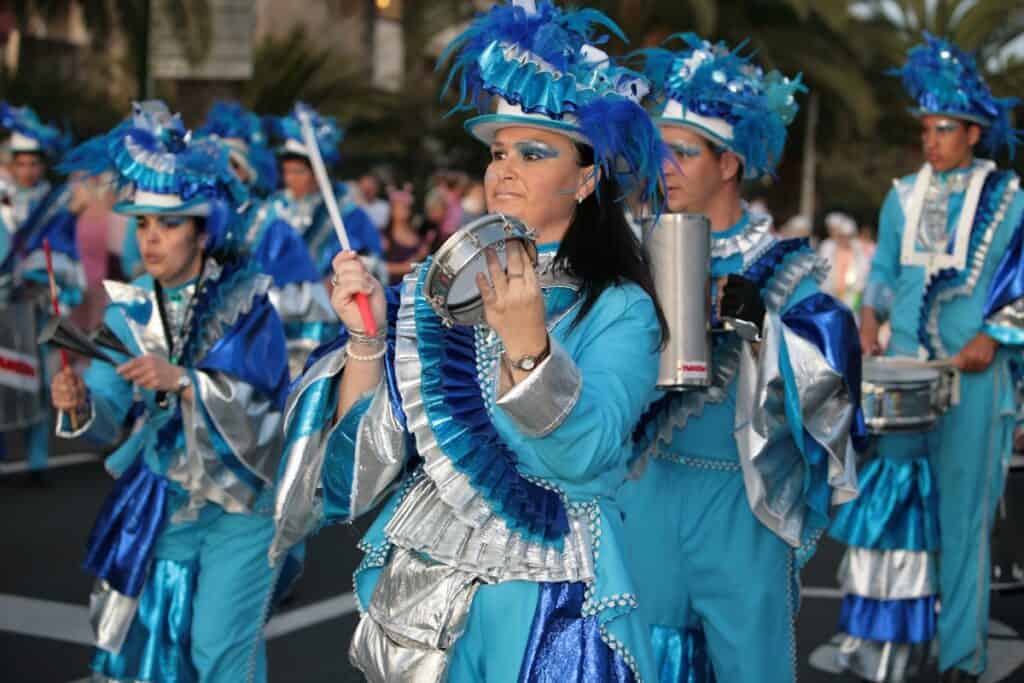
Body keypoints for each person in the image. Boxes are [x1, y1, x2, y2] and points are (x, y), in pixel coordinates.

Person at [270, 1, 669, 679]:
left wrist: (528, 348)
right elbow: (356, 479)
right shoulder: (438, 289)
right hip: (424, 596)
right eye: (498, 151)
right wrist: (366, 343)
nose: (503, 169)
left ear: (586, 177)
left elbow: (589, 456)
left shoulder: (621, 309)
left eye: (533, 152)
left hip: (551, 604)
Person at [619, 34, 864, 683]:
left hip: (740, 501)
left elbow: (834, 382)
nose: (662, 166)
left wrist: (761, 323)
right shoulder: (631, 248)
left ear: (728, 163)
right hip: (648, 485)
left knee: (749, 665)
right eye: (657, 151)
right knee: (646, 662)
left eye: (682, 152)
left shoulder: (782, 265)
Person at [55, 100, 290, 682]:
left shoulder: (247, 303)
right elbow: (110, 403)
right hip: (168, 504)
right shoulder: (131, 303)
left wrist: (184, 381)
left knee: (219, 648)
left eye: (170, 223)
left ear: (204, 230)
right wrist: (81, 400)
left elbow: (266, 415)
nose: (152, 239)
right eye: (142, 224)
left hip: (243, 505)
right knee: (158, 640)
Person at [830, 34, 1024, 683]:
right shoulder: (901, 195)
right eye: (926, 129)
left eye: (944, 129)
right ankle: (896, 645)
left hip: (974, 378)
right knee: (899, 515)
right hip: (904, 381)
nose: (932, 140)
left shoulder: (1010, 197)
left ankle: (962, 655)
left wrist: (993, 338)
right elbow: (882, 274)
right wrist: (866, 318)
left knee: (964, 518)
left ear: (973, 131)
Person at [198, 101, 336, 382]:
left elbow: (311, 305)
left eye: (232, 166)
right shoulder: (194, 223)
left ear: (247, 173)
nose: (222, 175)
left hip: (261, 361)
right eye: (214, 165)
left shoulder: (273, 227)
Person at [0, 102, 83, 480]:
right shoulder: (2, 201)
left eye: (34, 163)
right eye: (22, 163)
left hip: (37, 306)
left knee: (42, 383)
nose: (28, 170)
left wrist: (56, 283)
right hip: (3, 305)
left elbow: (66, 252)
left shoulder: (55, 205)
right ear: (12, 163)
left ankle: (37, 459)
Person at [266, 103, 383, 281]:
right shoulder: (273, 208)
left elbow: (370, 264)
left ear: (318, 174)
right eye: (286, 171)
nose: (290, 179)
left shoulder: (348, 214)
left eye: (298, 171)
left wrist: (337, 282)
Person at [818, 210, 871, 312]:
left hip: (852, 299)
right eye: (842, 236)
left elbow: (863, 274)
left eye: (848, 236)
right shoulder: (828, 248)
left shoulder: (859, 251)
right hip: (831, 297)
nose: (844, 240)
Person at [382, 184, 434, 284]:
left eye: (406, 206)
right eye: (399, 206)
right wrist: (415, 260)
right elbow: (383, 267)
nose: (404, 209)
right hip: (395, 290)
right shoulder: (385, 237)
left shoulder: (417, 234)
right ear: (392, 210)